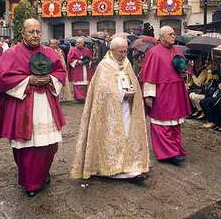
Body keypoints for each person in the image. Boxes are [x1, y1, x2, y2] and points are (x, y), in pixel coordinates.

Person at [0, 19, 66, 197]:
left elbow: (61, 72)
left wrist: (50, 79)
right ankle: (30, 182)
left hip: (46, 104)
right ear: (23, 33)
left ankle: (43, 173)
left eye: (37, 32)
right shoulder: (11, 53)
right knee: (26, 146)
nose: (35, 35)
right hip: (23, 106)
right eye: (31, 32)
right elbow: (3, 79)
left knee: (49, 145)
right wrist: (29, 80)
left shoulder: (49, 52)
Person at [71, 37, 149, 181]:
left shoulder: (126, 63)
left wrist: (133, 91)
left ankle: (130, 165)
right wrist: (122, 94)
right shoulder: (104, 65)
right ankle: (112, 168)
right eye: (120, 52)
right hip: (108, 112)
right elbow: (102, 92)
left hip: (126, 108)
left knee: (126, 136)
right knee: (112, 138)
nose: (124, 55)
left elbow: (133, 82)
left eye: (126, 51)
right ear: (111, 50)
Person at [140, 26, 191, 165]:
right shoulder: (154, 53)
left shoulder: (178, 50)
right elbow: (149, 75)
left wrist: (184, 71)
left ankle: (175, 149)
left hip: (177, 91)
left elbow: (185, 70)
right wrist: (149, 96)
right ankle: (168, 153)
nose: (174, 36)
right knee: (162, 124)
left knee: (175, 123)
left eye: (174, 34)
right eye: (170, 34)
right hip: (162, 92)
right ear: (161, 37)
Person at [67, 37, 92, 102]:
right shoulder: (72, 50)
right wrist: (78, 62)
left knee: (84, 84)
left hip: (85, 69)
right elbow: (69, 59)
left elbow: (90, 58)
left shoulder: (87, 50)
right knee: (77, 84)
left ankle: (84, 97)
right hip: (77, 69)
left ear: (83, 43)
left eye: (79, 43)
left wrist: (88, 62)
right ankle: (78, 98)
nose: (77, 44)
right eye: (76, 42)